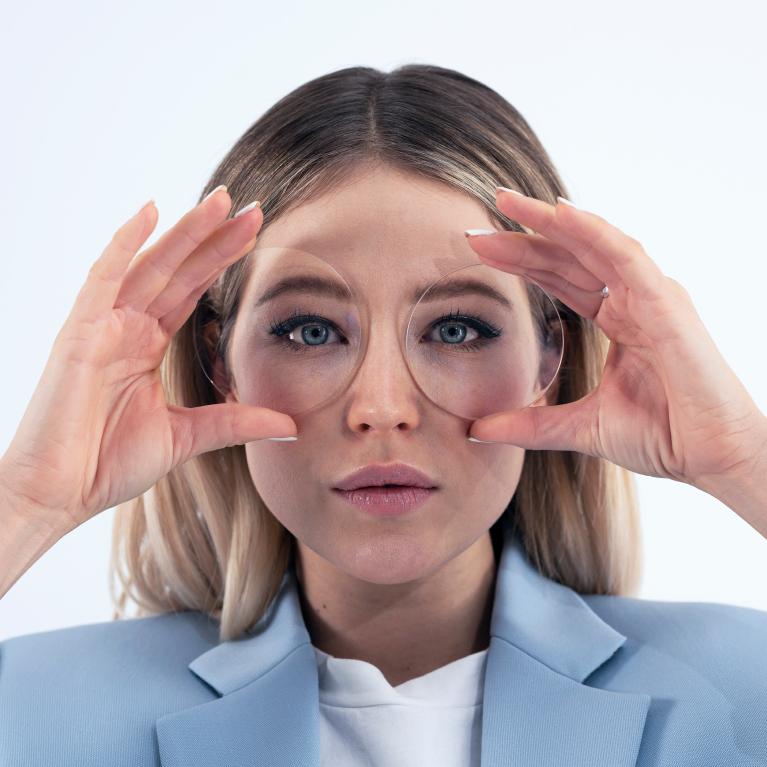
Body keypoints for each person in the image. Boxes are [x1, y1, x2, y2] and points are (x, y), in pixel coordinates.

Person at [1, 63, 766, 766]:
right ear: (218, 362)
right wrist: (28, 500)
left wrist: (741, 457)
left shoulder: (741, 687)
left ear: (547, 361)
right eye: (309, 330)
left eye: (457, 329)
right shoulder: (33, 709)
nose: (380, 409)